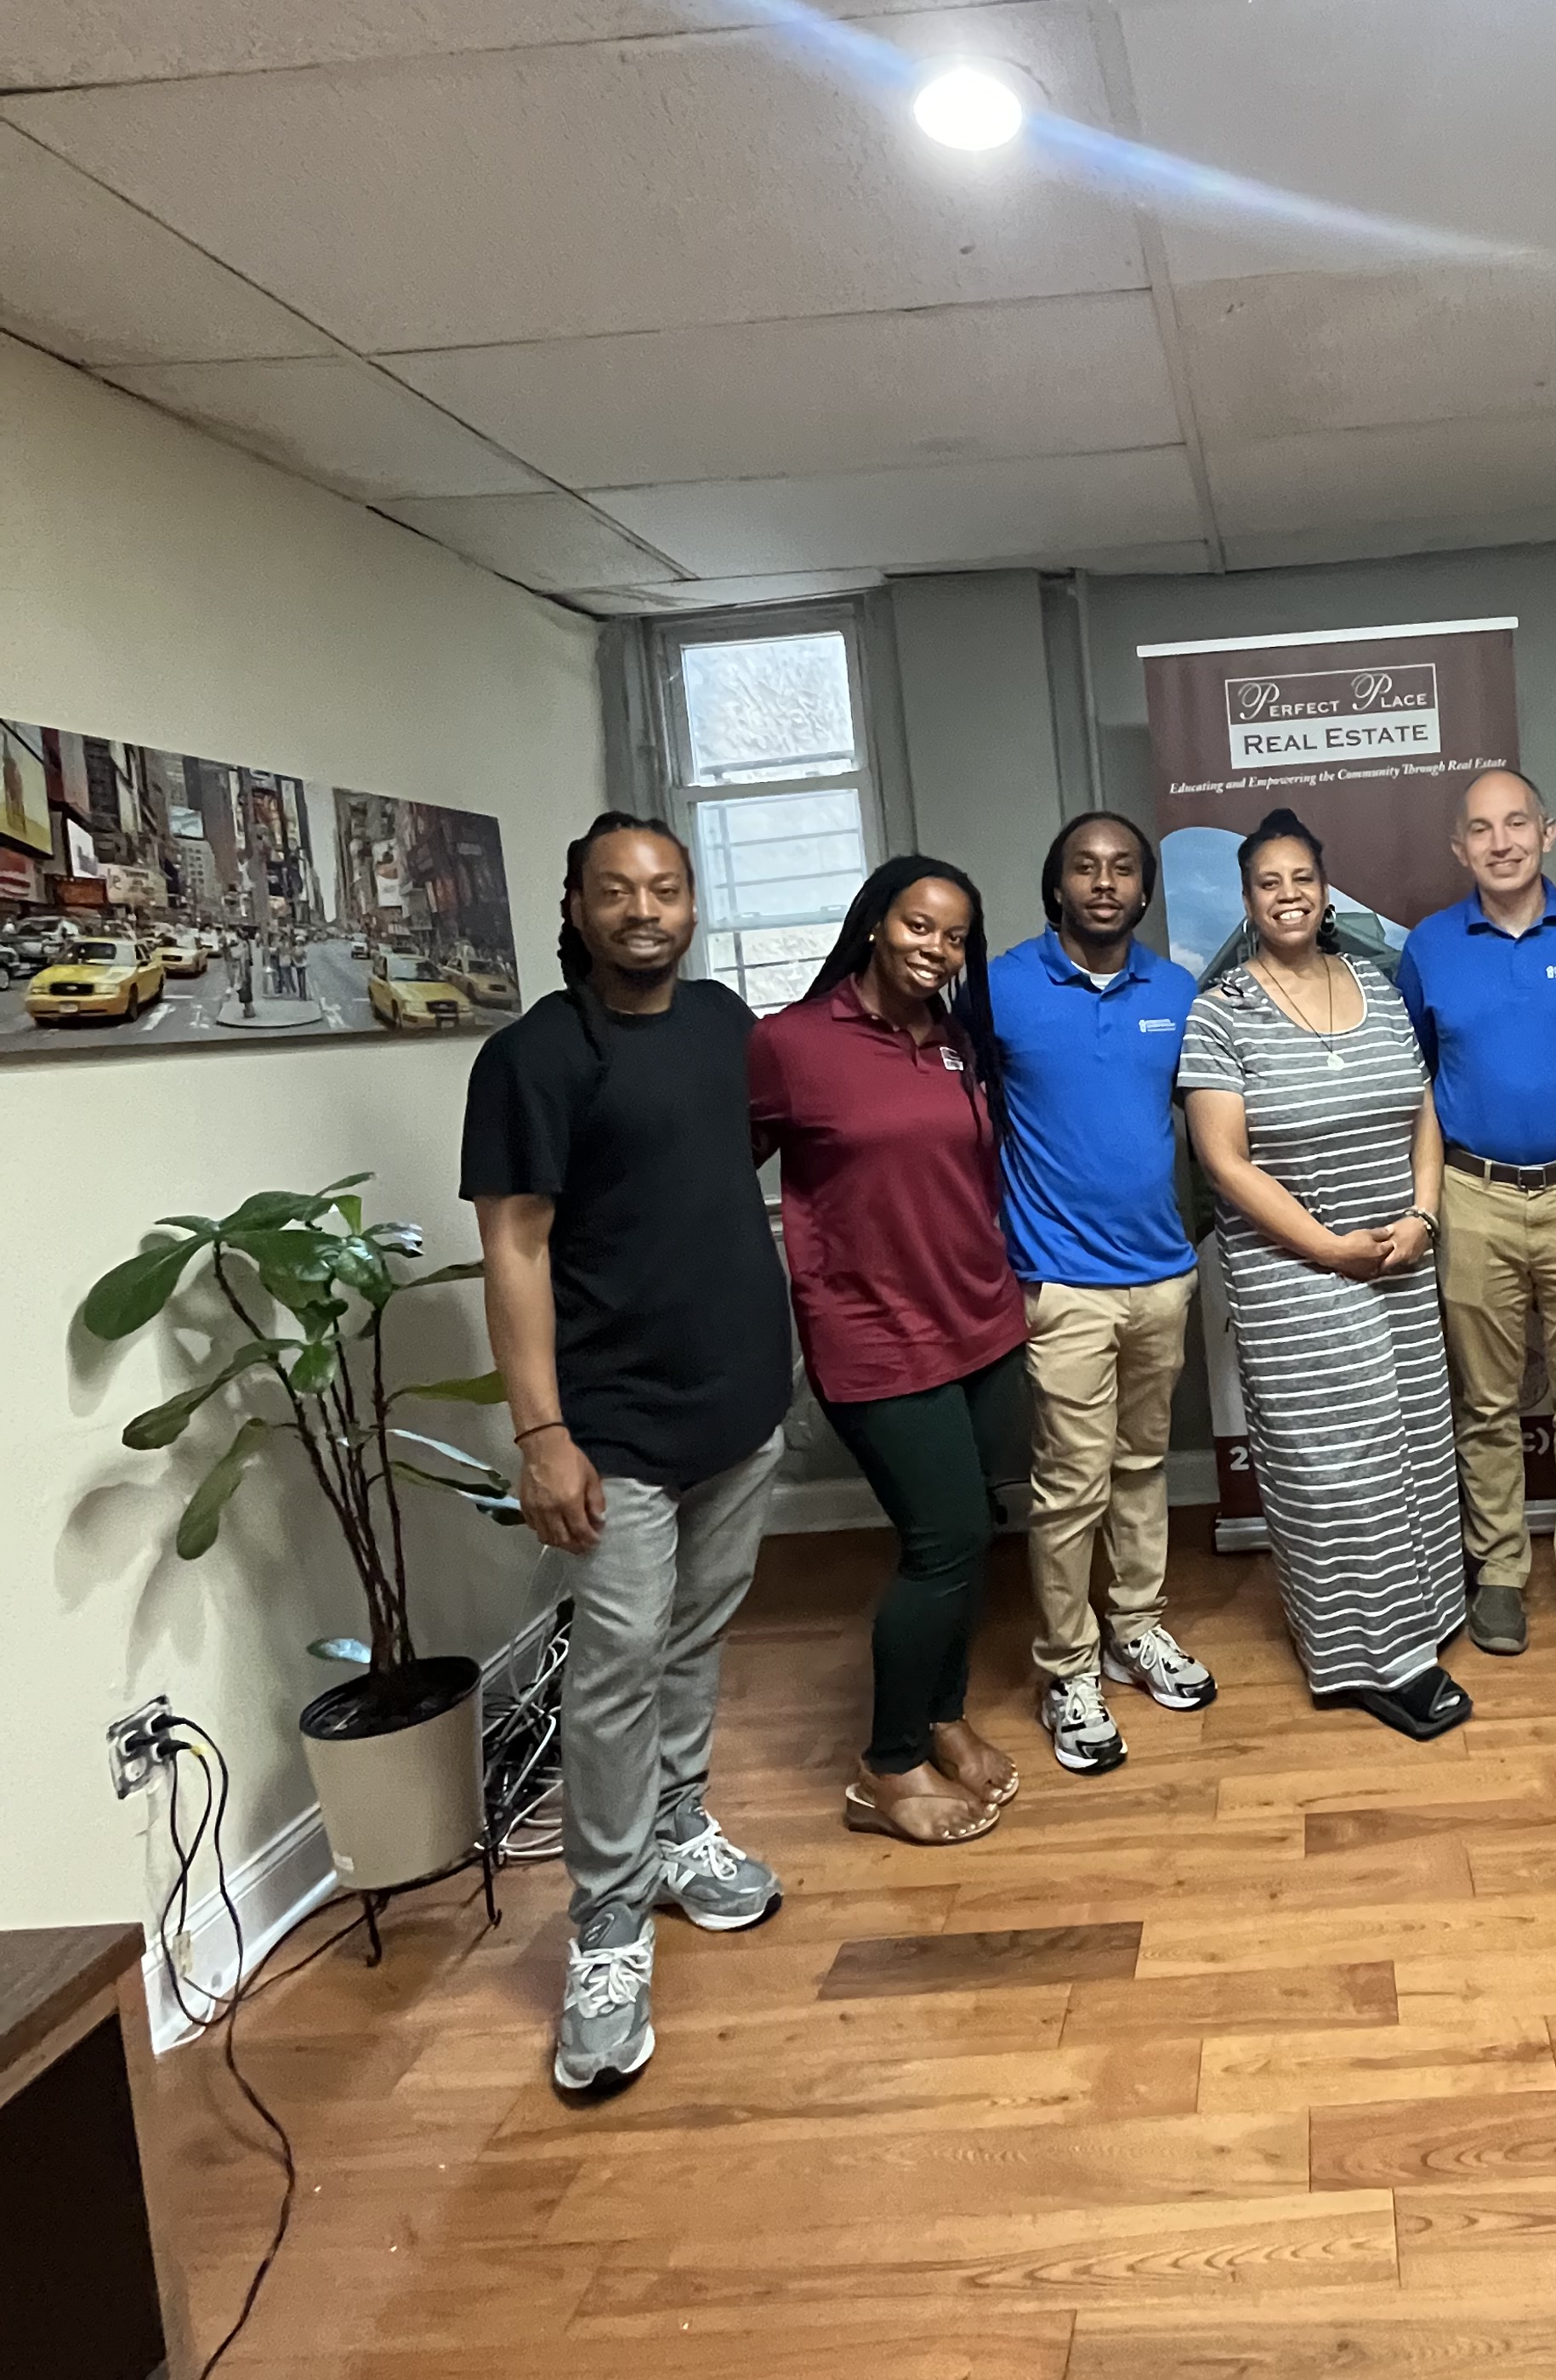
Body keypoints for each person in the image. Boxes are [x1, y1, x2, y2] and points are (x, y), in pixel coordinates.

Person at [466, 812, 794, 2103]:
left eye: (665, 889)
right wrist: (541, 1435)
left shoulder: (722, 1025)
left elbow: (712, 1181)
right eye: (617, 891)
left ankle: (673, 1827)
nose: (643, 911)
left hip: (740, 1405)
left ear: (693, 903)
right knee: (614, 1670)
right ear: (577, 906)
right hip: (612, 1430)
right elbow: (514, 1250)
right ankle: (605, 1926)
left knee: (693, 1638)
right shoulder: (532, 1057)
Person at [748, 858, 1026, 1848]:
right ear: (875, 923)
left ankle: (943, 1715)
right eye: (918, 925)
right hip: (874, 1334)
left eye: (955, 936)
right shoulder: (790, 1043)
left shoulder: (957, 1042)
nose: (935, 949)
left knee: (972, 1532)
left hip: (981, 1323)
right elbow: (716, 1176)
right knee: (943, 1539)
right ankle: (887, 1763)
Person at [1178, 808, 1470, 1738]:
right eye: (1269, 882)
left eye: (1302, 878)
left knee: (1415, 1446)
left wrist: (1423, 1216)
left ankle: (1426, 1620)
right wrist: (1328, 1247)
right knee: (1340, 1471)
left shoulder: (1376, 985)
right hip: (1297, 1281)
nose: (1289, 895)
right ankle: (1372, 1658)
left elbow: (1423, 1109)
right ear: (1247, 899)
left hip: (1400, 1261)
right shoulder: (1220, 1013)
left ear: (1325, 888)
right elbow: (1225, 1163)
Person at [1395, 768, 1556, 1662]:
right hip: (1474, 1196)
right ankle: (1498, 1569)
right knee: (1485, 1403)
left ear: (1548, 831)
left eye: (1516, 823)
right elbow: (1417, 1077)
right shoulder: (1430, 947)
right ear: (1459, 848)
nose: (1501, 843)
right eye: (1481, 829)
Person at [988, 811, 1213, 1777]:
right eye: (1086, 867)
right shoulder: (998, 988)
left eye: (1124, 868)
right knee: (1070, 1485)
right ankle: (1067, 1669)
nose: (1105, 883)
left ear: (1145, 890)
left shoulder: (1175, 990)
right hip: (1062, 1286)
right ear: (1057, 887)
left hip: (1161, 1276)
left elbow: (1213, 1122)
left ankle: (1136, 1629)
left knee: (1142, 1466)